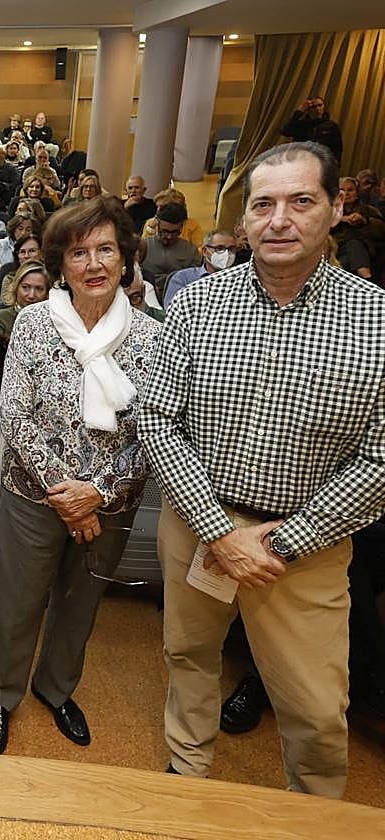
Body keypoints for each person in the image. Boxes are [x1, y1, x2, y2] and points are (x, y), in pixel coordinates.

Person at [139, 142, 385, 799]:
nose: (280, 220)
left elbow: (381, 459)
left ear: (335, 210)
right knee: (188, 657)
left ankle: (312, 816)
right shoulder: (197, 305)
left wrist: (280, 541)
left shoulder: (376, 321)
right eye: (263, 204)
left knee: (313, 707)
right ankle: (187, 776)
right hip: (197, 527)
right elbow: (159, 419)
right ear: (243, 220)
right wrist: (220, 533)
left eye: (300, 202)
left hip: (304, 549)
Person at [0, 197, 160, 756]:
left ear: (126, 258)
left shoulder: (153, 336)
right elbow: (15, 416)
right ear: (62, 265)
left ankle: (56, 689)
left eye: (106, 249)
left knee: (80, 604)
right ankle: (0, 696)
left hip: (111, 503)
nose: (94, 263)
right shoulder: (33, 324)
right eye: (79, 252)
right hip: (35, 495)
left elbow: (154, 431)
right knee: (17, 600)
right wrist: (68, 496)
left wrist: (97, 495)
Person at [162, 230, 238, 309]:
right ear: (205, 251)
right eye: (219, 248)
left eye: (231, 249)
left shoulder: (240, 280)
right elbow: (171, 310)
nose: (226, 253)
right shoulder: (184, 278)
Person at [141, 202, 200, 291]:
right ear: (157, 224)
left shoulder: (191, 251)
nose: (169, 237)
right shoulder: (144, 247)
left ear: (182, 227)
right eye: (165, 231)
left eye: (174, 232)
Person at [0, 260, 50, 338]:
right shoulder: (1, 318)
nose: (31, 295)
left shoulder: (53, 320)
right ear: (16, 288)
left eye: (39, 289)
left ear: (47, 293)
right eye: (25, 287)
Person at [281, 96, 342, 163]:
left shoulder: (331, 126)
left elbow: (337, 147)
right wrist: (299, 111)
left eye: (320, 105)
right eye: (313, 107)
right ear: (308, 109)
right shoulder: (301, 124)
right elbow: (285, 131)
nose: (317, 108)